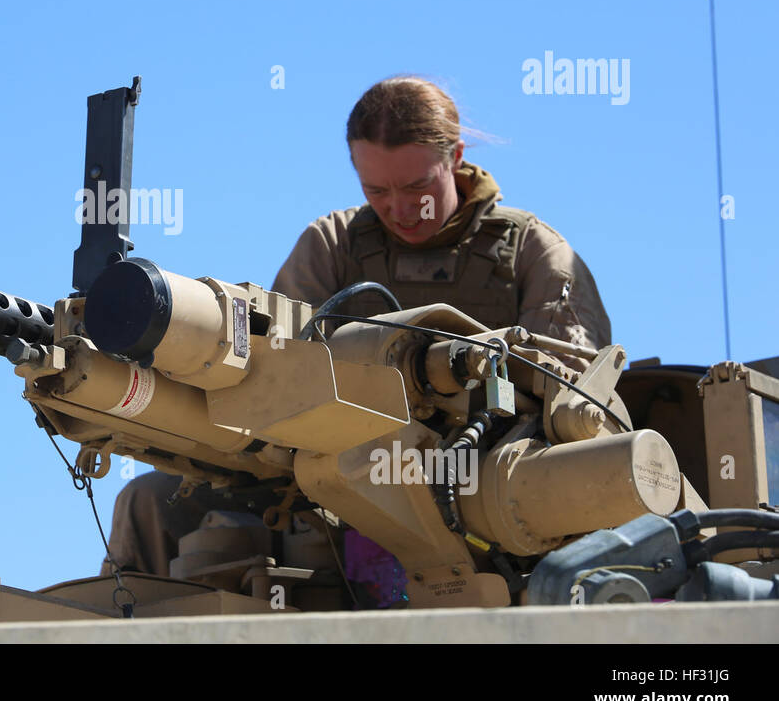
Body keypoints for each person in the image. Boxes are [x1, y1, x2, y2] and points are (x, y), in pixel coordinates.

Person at [100, 76, 612, 600]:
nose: (400, 208)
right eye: (377, 191)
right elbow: (272, 372)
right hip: (324, 483)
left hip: (484, 489)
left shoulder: (532, 251)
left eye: (417, 188)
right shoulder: (331, 246)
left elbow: (574, 401)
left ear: (455, 156)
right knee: (148, 503)